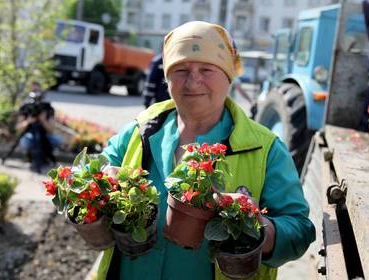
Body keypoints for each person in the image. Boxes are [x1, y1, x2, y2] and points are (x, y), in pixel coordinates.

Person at [97, 21, 315, 280]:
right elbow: (103, 162)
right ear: (166, 78)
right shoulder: (142, 130)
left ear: (228, 76)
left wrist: (258, 228)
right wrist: (103, 175)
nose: (193, 81)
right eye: (180, 69)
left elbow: (300, 228)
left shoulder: (265, 148)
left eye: (206, 69)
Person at [17, 82, 62, 172]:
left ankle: (46, 157)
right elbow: (19, 128)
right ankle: (30, 157)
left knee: (57, 140)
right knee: (25, 142)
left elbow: (51, 130)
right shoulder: (26, 107)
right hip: (29, 135)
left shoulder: (47, 108)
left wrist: (43, 120)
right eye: (33, 90)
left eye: (37, 90)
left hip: (45, 135)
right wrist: (28, 121)